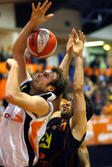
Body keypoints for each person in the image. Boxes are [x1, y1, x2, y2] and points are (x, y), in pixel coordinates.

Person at [0, 1, 67, 167]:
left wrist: (14, 68)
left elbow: (11, 95)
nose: (40, 73)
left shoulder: (43, 104)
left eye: (46, 76)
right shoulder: (28, 86)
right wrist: (32, 23)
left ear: (50, 88)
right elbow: (18, 52)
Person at [36, 29, 94, 167]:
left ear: (81, 112)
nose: (67, 103)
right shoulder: (56, 115)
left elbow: (78, 91)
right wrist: (68, 54)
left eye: (72, 103)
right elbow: (58, 86)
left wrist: (78, 56)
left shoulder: (76, 129)